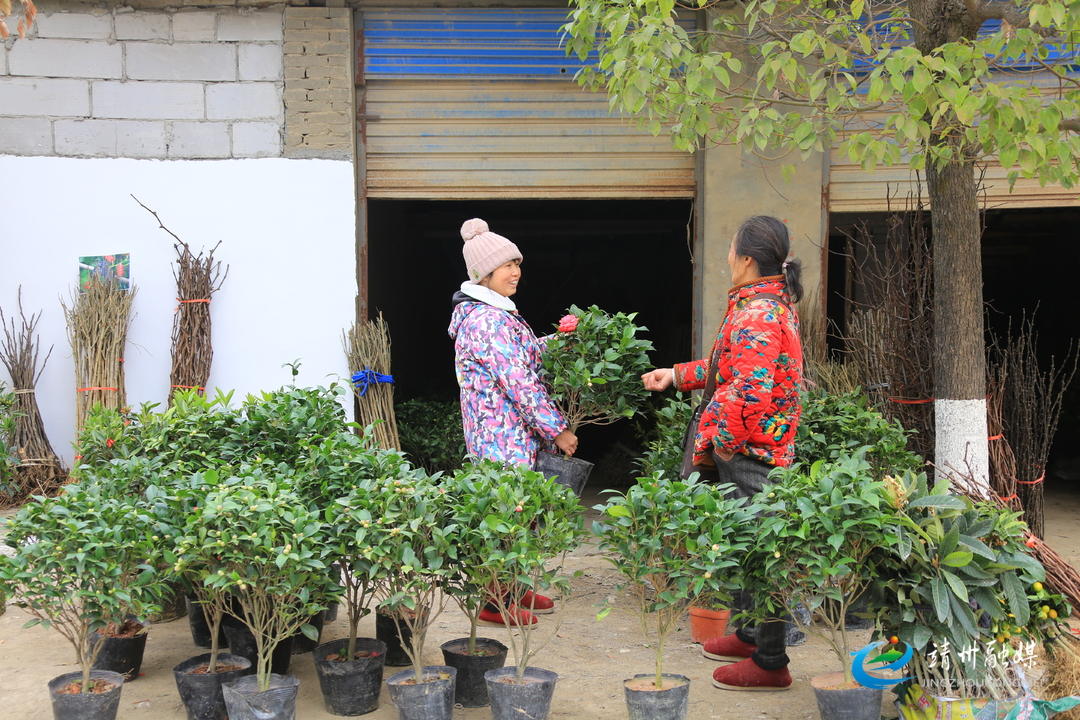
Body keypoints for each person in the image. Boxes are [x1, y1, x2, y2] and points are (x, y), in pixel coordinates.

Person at [641, 215, 804, 692]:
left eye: (732, 250)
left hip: (754, 451)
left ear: (748, 260)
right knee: (749, 546)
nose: (727, 257)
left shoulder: (758, 312)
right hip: (756, 445)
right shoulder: (764, 302)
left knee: (762, 552)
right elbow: (728, 366)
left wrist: (721, 440)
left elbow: (749, 390)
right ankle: (752, 636)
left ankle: (771, 662)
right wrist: (676, 375)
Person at [448, 217, 578, 627]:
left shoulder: (497, 316)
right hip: (498, 440)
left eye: (517, 262)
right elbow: (520, 382)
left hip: (511, 437)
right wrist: (558, 429)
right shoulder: (487, 321)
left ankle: (514, 588)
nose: (516, 271)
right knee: (507, 516)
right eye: (507, 265)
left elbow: (522, 357)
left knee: (521, 514)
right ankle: (494, 601)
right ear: (484, 273)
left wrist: (559, 339)